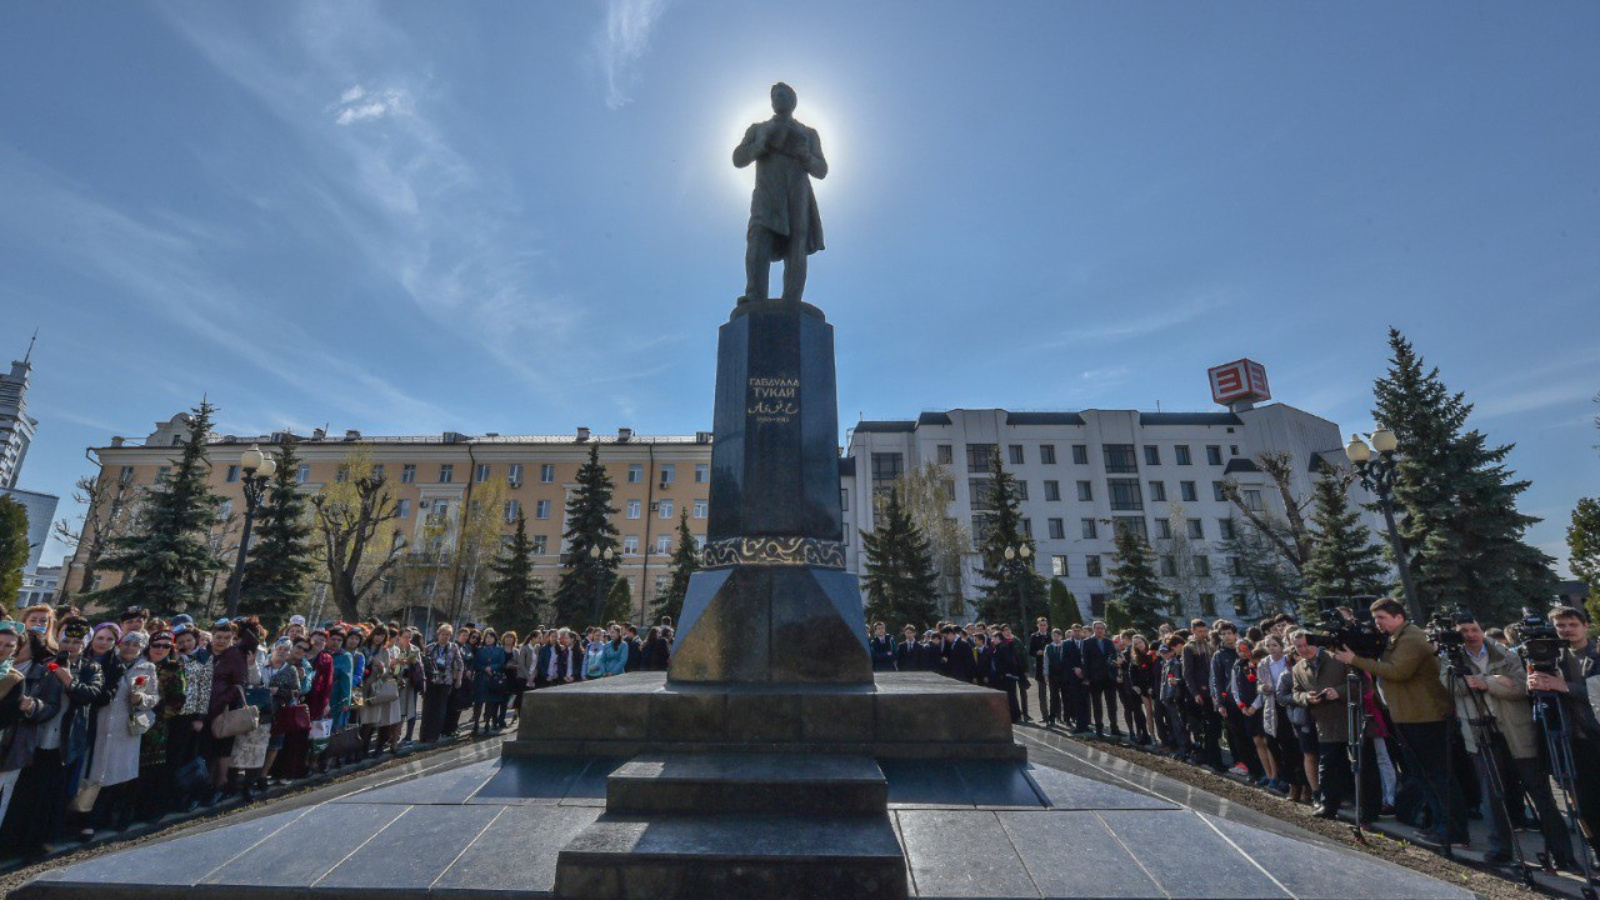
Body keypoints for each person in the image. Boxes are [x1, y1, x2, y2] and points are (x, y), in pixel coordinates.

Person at [1334, 598, 1464, 845]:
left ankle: (1453, 829)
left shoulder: (1411, 638)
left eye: (1381, 618)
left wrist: (1354, 660)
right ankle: (1439, 824)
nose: (1377, 624)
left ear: (1399, 617)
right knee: (1422, 775)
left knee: (1437, 775)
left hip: (1426, 716)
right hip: (1408, 715)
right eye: (1375, 619)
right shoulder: (1396, 638)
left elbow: (1398, 671)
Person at [1526, 605, 1600, 861]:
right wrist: (1534, 684)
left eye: (1572, 624)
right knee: (1584, 802)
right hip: (1568, 739)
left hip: (1595, 734)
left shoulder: (1596, 653)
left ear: (1585, 626)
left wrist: (1564, 686)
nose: (1567, 630)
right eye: (1561, 626)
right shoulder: (1548, 655)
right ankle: (1596, 848)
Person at [0, 614, 68, 858]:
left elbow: (50, 706)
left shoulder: (42, 673)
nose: (6, 649)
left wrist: (32, 706)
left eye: (13, 645)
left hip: (14, 743)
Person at [85, 631, 157, 832]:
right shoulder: (108, 662)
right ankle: (87, 820)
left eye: (135, 645)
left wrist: (141, 699)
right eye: (127, 643)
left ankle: (106, 818)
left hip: (125, 729)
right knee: (94, 773)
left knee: (118, 775)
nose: (130, 648)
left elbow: (153, 697)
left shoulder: (146, 668)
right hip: (100, 724)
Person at [1291, 629, 1354, 819]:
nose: (1303, 649)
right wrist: (1306, 697)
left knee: (1355, 764)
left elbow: (1359, 684)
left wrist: (1338, 692)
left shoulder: (1337, 659)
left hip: (1348, 719)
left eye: (1306, 645)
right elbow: (1296, 692)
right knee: (1327, 766)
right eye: (1298, 647)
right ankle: (1328, 805)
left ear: (1315, 642)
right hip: (1323, 724)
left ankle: (1360, 803)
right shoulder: (1298, 668)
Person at [1182, 619, 1223, 769]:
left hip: (1212, 690)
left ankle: (1213, 756)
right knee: (1205, 726)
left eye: (1205, 631)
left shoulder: (1210, 645)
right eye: (1200, 631)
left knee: (1214, 726)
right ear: (1193, 631)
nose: (1203, 634)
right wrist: (1195, 692)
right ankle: (1210, 757)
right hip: (1200, 692)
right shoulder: (1189, 647)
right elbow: (1188, 673)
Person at [421, 624, 463, 744]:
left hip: (446, 681)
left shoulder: (453, 647)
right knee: (428, 708)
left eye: (448, 634)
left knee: (440, 708)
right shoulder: (430, 647)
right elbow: (423, 663)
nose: (445, 636)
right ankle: (424, 734)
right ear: (438, 634)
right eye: (443, 634)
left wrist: (458, 679)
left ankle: (434, 735)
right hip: (431, 681)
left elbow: (460, 664)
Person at [1081, 621, 1120, 737]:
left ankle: (1114, 727)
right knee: (1097, 704)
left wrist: (1114, 671)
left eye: (1102, 628)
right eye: (1097, 628)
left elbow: (1114, 656)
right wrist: (1087, 677)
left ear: (1104, 630)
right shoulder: (1087, 642)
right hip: (1095, 678)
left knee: (1112, 704)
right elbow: (1085, 660)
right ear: (1094, 629)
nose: (1099, 630)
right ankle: (1099, 727)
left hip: (1109, 678)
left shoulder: (1109, 642)